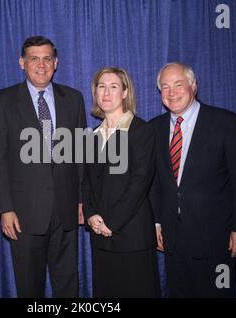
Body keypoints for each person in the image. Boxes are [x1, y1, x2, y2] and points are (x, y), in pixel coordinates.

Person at [0, 35, 87, 297]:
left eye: (46, 59)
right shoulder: (2, 101)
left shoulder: (73, 99)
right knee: (29, 286)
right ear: (22, 63)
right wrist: (5, 208)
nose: (41, 65)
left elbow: (80, 154)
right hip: (23, 213)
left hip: (66, 209)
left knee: (68, 284)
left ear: (56, 63)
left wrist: (81, 199)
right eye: (34, 59)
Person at [149, 62, 236, 297]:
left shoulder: (226, 123)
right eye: (165, 87)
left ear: (194, 86)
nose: (171, 92)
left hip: (218, 240)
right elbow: (155, 182)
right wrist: (157, 223)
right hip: (174, 240)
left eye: (178, 85)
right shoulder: (154, 129)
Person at [82, 67, 161, 297]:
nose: (106, 93)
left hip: (132, 236)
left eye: (114, 86)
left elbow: (139, 183)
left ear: (125, 92)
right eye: (101, 86)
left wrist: (112, 222)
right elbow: (85, 182)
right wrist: (91, 214)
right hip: (100, 238)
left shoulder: (142, 131)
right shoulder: (91, 136)